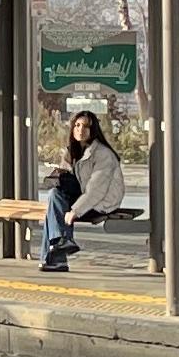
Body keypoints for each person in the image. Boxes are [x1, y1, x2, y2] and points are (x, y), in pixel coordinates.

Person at [39, 110, 124, 274]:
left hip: (103, 201)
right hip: (84, 195)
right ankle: (62, 243)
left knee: (55, 209)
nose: (80, 130)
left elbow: (96, 190)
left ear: (93, 130)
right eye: (77, 125)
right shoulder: (72, 151)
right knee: (54, 197)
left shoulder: (103, 154)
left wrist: (75, 211)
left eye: (85, 126)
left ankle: (54, 257)